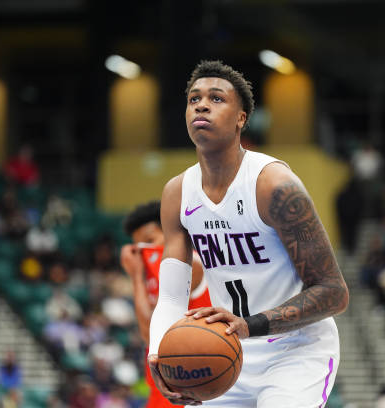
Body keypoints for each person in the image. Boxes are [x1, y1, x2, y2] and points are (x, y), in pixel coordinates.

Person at [147, 60, 349, 407]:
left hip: (296, 350)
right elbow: (171, 298)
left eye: (217, 98)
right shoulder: (177, 193)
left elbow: (333, 293)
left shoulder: (274, 186)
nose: (202, 105)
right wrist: (159, 354)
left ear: (241, 118)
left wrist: (247, 325)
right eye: (194, 99)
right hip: (227, 350)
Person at [120, 200, 211, 408]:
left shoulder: (190, 266)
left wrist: (136, 276)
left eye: (150, 240)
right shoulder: (153, 270)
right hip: (161, 383)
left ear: (170, 235)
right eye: (139, 245)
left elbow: (148, 333)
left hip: (187, 384)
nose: (144, 250)